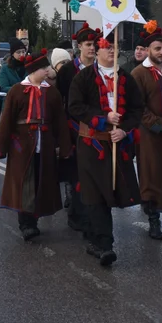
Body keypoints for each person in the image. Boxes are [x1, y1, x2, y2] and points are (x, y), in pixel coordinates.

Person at [68, 29, 144, 267]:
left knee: (113, 190)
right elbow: (74, 107)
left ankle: (95, 238)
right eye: (106, 47)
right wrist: (103, 117)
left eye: (114, 47)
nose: (111, 51)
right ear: (98, 51)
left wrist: (125, 129)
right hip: (91, 143)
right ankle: (105, 245)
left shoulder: (126, 78)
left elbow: (137, 109)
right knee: (95, 193)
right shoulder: (83, 78)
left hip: (116, 144)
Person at [0, 48, 72, 241]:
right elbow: (7, 120)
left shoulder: (51, 93)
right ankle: (25, 223)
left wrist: (65, 146)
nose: (47, 71)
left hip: (44, 146)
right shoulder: (17, 91)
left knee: (41, 181)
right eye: (44, 68)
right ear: (34, 70)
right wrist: (0, 146)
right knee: (24, 183)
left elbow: (60, 122)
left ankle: (35, 218)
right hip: (21, 146)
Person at [129, 22, 162, 242]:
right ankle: (154, 220)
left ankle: (157, 205)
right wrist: (159, 124)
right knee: (150, 174)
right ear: (148, 50)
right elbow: (138, 107)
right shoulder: (138, 73)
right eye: (157, 49)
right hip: (148, 132)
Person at [55, 22, 98, 236]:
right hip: (73, 128)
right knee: (76, 173)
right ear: (79, 45)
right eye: (88, 44)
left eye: (95, 44)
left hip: (97, 128)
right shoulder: (68, 71)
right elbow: (59, 99)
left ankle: (90, 214)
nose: (92, 48)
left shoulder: (101, 68)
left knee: (91, 173)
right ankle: (76, 214)